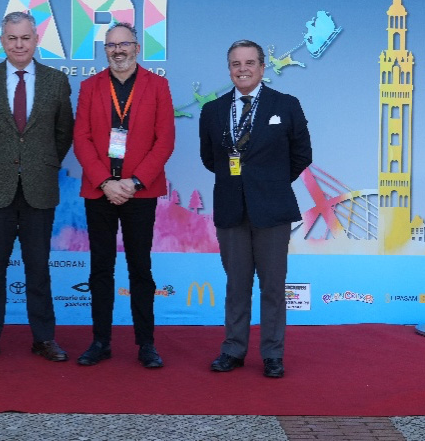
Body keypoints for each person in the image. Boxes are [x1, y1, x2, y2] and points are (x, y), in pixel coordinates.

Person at [0, 11, 74, 363]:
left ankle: (44, 338)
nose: (19, 45)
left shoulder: (57, 81)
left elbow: (63, 133)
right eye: (12, 38)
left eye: (25, 38)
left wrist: (41, 163)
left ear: (36, 39)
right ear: (2, 41)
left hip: (40, 188)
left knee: (38, 268)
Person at [199, 39, 311, 379]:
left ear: (262, 68)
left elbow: (302, 154)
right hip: (231, 209)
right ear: (229, 69)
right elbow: (210, 159)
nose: (243, 69)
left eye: (250, 63)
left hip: (272, 210)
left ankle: (272, 354)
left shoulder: (286, 105)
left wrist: (270, 182)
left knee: (273, 287)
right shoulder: (213, 110)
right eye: (236, 64)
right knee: (236, 285)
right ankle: (233, 350)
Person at [71, 22, 175, 369]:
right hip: (99, 190)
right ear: (105, 50)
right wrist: (105, 182)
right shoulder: (90, 87)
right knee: (100, 268)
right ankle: (100, 341)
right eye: (111, 45)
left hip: (139, 192)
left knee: (140, 268)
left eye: (124, 44)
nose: (118, 50)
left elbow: (165, 140)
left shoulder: (158, 86)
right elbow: (81, 139)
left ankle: (146, 343)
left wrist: (135, 182)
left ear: (137, 48)